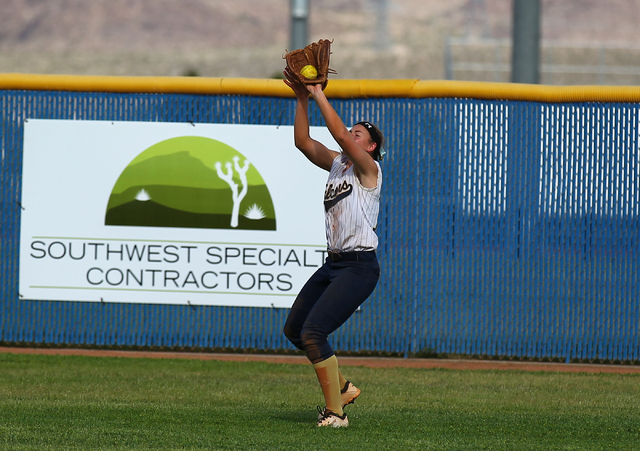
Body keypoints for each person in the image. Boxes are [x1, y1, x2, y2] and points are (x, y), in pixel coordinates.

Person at [282, 66, 385, 428]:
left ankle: (336, 414)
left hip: (359, 266)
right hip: (334, 264)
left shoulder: (368, 169)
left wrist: (317, 91)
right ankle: (342, 389)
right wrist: (301, 98)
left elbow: (339, 134)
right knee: (295, 330)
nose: (351, 135)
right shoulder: (339, 167)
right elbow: (303, 142)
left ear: (370, 147)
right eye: (352, 132)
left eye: (360, 134)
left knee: (314, 332)